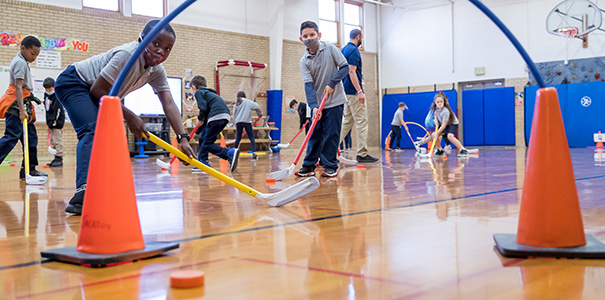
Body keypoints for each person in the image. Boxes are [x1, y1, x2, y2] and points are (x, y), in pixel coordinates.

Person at [54, 20, 196, 215]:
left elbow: (168, 103)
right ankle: (83, 193)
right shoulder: (127, 56)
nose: (161, 51)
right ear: (142, 39)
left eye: (167, 48)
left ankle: (103, 189)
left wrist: (183, 138)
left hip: (100, 93)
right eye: (156, 43)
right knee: (92, 130)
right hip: (76, 83)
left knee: (111, 139)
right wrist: (130, 116)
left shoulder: (156, 71)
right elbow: (98, 90)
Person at [295, 20, 349, 177]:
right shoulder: (304, 61)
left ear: (319, 35)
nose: (309, 38)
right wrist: (313, 106)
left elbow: (344, 67)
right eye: (305, 36)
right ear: (301, 39)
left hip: (335, 100)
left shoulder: (330, 48)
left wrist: (332, 83)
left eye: (312, 35)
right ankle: (309, 165)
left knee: (331, 134)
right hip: (318, 103)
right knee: (314, 133)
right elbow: (309, 86)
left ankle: (330, 165)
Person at [0, 36, 47, 179]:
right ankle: (29, 168)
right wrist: (21, 110)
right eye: (33, 54)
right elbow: (18, 88)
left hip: (24, 103)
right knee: (11, 137)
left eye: (37, 55)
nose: (34, 57)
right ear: (23, 48)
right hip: (16, 106)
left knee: (31, 138)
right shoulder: (20, 62)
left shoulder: (24, 62)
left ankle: (29, 169)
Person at [340, 29, 378, 163]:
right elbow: (352, 71)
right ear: (358, 37)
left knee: (347, 121)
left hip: (345, 92)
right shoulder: (354, 51)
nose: (362, 40)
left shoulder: (343, 50)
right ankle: (362, 153)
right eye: (362, 37)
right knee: (362, 122)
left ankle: (328, 148)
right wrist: (360, 91)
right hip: (353, 92)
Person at [191, 75, 239, 170]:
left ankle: (228, 153)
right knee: (203, 138)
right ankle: (202, 162)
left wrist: (199, 118)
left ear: (193, 87)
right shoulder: (209, 94)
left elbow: (203, 109)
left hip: (216, 116)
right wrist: (196, 132)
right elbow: (206, 118)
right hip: (224, 116)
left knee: (207, 143)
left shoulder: (199, 92)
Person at [233, 91, 262, 158]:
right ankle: (254, 152)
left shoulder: (236, 103)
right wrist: (259, 113)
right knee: (251, 137)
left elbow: (234, 114)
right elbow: (257, 106)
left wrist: (235, 123)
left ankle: (233, 152)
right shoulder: (248, 102)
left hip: (238, 122)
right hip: (247, 121)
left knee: (238, 138)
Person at [43, 77, 65, 167]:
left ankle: (59, 158)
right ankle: (55, 158)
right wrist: (49, 122)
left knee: (57, 140)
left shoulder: (57, 96)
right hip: (50, 122)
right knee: (53, 141)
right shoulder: (47, 95)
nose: (48, 90)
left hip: (56, 123)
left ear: (54, 87)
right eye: (46, 88)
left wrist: (54, 122)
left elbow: (58, 110)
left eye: (49, 88)